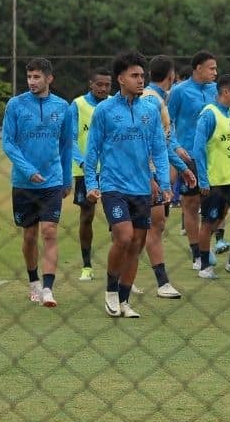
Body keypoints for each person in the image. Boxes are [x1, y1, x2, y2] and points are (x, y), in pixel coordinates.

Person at [84, 51, 169, 319]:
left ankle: (124, 300)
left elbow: (159, 149)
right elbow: (92, 150)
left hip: (142, 188)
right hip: (113, 186)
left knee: (137, 245)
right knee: (124, 236)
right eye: (134, 76)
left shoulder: (150, 110)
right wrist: (90, 183)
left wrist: (164, 184)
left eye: (142, 76)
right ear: (120, 79)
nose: (140, 80)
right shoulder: (104, 110)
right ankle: (110, 291)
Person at [1, 57, 75, 308]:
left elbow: (66, 145)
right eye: (29, 77)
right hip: (24, 183)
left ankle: (47, 289)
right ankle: (33, 281)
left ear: (49, 78)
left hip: (52, 182)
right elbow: (8, 143)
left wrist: (66, 179)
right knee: (30, 236)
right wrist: (28, 170)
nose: (32, 82)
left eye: (37, 77)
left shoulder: (63, 107)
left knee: (49, 232)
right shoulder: (16, 105)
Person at [140, 55, 193, 298]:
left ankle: (125, 278)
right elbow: (150, 144)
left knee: (151, 226)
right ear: (171, 76)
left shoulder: (159, 99)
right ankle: (162, 283)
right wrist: (152, 176)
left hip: (154, 171)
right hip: (145, 173)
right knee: (153, 224)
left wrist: (181, 168)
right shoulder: (151, 101)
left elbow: (163, 143)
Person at [192, 73, 230, 279]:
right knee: (209, 224)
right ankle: (204, 267)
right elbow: (198, 149)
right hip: (214, 181)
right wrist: (203, 179)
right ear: (225, 92)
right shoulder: (209, 114)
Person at [167, 51, 221, 263]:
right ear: (198, 68)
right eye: (212, 68)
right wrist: (176, 146)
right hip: (190, 156)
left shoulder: (217, 90)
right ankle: (197, 253)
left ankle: (208, 241)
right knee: (191, 205)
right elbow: (168, 121)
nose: (215, 72)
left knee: (220, 201)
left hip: (216, 156)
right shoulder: (179, 91)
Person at [70, 68, 111, 282]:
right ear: (91, 84)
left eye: (107, 85)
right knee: (87, 217)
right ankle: (86, 266)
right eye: (99, 85)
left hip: (112, 171)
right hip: (85, 171)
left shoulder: (114, 104)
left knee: (118, 218)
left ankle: (118, 266)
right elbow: (71, 139)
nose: (103, 89)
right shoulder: (78, 105)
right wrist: (84, 163)